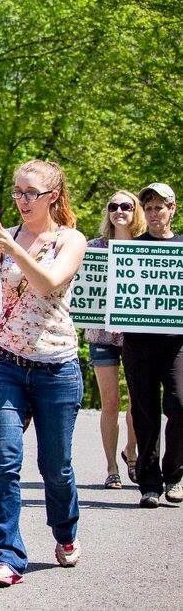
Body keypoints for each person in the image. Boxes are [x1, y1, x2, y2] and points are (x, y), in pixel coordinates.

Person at [0, 159, 87, 587]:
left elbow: (49, 282)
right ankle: (7, 555)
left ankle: (65, 531)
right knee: (5, 463)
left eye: (30, 193)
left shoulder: (70, 239)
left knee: (56, 467)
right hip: (7, 364)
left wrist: (15, 250)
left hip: (57, 367)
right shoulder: (9, 236)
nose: (20, 200)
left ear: (52, 196)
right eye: (16, 192)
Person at [121, 182, 182, 508]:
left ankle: (174, 473)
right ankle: (149, 483)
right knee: (145, 413)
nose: (154, 212)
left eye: (160, 207)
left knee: (180, 405)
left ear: (172, 210)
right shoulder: (132, 248)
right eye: (149, 207)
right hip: (138, 343)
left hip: (177, 344)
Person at [86, 191, 144, 488]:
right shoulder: (92, 248)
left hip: (137, 334)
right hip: (101, 334)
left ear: (136, 211)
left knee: (138, 401)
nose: (119, 211)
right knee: (110, 402)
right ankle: (111, 468)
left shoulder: (148, 248)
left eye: (126, 206)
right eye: (113, 206)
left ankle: (131, 453)